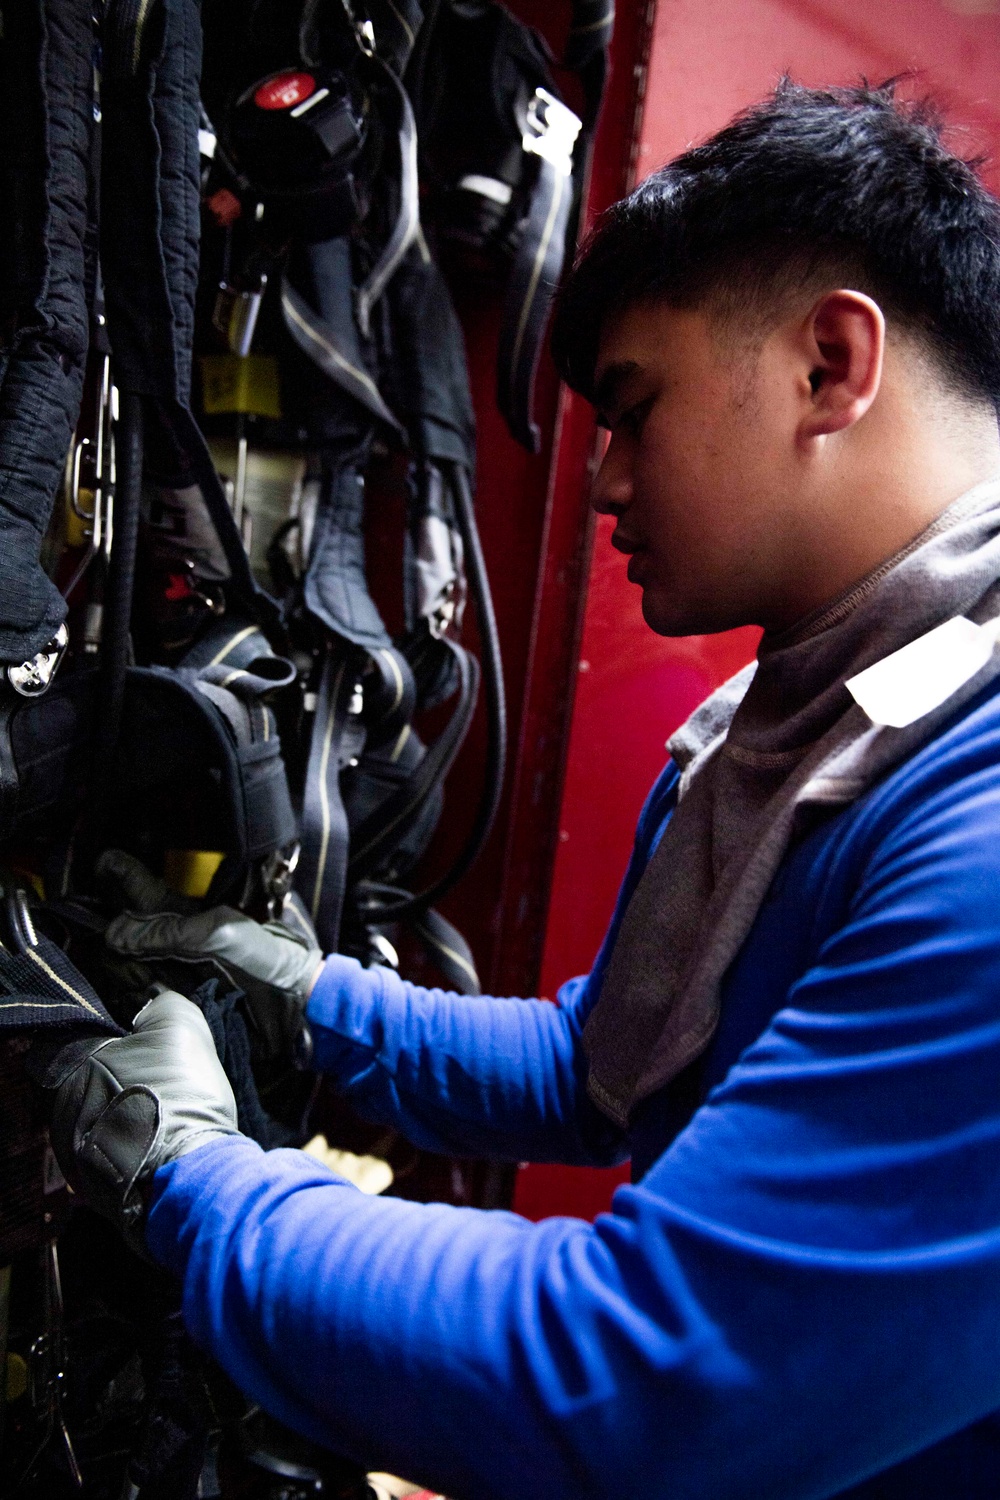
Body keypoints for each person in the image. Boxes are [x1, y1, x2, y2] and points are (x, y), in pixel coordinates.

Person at [49, 80, 1000, 1498]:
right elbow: (607, 1063)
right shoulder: (802, 728)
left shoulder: (974, 820)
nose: (603, 482)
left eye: (632, 409)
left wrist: (186, 1173)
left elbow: (633, 1379)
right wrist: (303, 1001)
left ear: (830, 363)